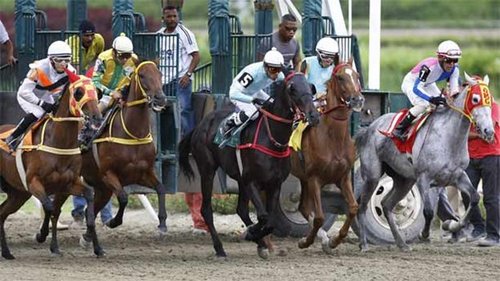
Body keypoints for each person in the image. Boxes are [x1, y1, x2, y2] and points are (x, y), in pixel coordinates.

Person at [157, 6, 205, 234]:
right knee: (162, 112)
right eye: (169, 16)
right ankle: (164, 142)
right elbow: (157, 58)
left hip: (180, 79)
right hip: (164, 81)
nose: (172, 19)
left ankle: (188, 142)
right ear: (163, 18)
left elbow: (196, 55)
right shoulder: (159, 35)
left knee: (185, 110)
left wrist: (188, 75)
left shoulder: (185, 33)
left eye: (175, 16)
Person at [2, 40, 75, 151]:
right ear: (51, 60)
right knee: (39, 113)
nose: (63, 64)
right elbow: (24, 92)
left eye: (67, 60)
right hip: (27, 96)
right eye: (59, 60)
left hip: (45, 95)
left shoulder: (71, 71)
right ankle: (13, 137)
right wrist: (41, 103)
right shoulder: (39, 68)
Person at [393, 40, 462, 140]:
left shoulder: (455, 69)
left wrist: (453, 99)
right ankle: (399, 129)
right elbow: (416, 88)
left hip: (428, 83)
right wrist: (431, 99)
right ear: (440, 58)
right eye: (448, 60)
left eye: (455, 60)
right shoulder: (428, 67)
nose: (451, 64)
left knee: (444, 104)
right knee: (423, 105)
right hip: (412, 83)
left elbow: (454, 91)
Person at [459, 99, 500, 247]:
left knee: (491, 198)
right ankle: (479, 227)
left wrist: (471, 133)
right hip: (471, 157)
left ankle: (494, 235)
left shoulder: (493, 107)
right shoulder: (468, 110)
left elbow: (489, 129)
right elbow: (462, 133)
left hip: (492, 156)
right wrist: (476, 134)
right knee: (467, 194)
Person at [221, 47, 285, 136]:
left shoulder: (279, 76)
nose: (276, 74)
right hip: (239, 93)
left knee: (274, 104)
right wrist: (251, 99)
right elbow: (233, 94)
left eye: (279, 69)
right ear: (265, 67)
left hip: (255, 91)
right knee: (253, 113)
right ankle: (230, 122)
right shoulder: (252, 73)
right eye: (273, 69)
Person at [92, 33, 137, 113]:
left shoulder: (134, 60)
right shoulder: (103, 58)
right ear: (113, 52)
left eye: (128, 55)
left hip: (123, 94)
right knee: (98, 110)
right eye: (121, 56)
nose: (125, 59)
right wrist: (111, 93)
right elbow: (95, 82)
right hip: (104, 94)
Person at [299, 37, 339, 103]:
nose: (329, 60)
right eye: (325, 56)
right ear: (318, 54)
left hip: (328, 102)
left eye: (332, 57)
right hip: (310, 101)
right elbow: (301, 85)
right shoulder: (307, 62)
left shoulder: (335, 68)